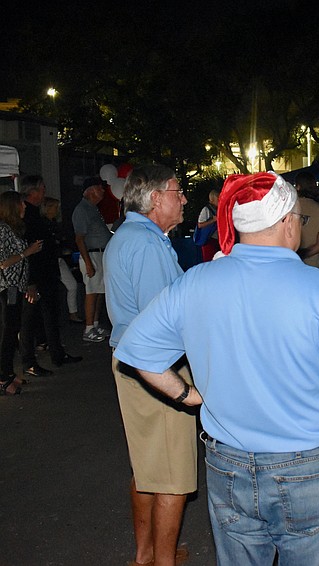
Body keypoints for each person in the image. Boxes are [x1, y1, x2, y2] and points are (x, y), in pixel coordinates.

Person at [113, 171, 319, 564]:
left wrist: (187, 395)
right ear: (285, 222)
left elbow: (137, 350)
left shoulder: (197, 282)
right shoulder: (318, 288)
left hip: (229, 467)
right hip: (305, 467)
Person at [103, 165, 196, 566]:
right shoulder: (146, 244)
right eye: (178, 191)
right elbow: (165, 320)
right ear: (156, 198)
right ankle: (161, 561)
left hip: (131, 361)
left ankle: (146, 554)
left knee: (148, 467)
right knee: (173, 477)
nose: (184, 199)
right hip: (155, 368)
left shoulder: (132, 236)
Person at [19, 176, 82, 375]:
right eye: (42, 188)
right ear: (34, 191)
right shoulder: (27, 216)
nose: (45, 191)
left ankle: (57, 352)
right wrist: (31, 281)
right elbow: (30, 250)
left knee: (51, 315)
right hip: (38, 276)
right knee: (31, 319)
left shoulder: (35, 214)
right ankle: (30, 361)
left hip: (45, 273)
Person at [0, 191, 43, 396]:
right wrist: (27, 252)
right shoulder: (3, 230)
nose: (25, 207)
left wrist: (27, 285)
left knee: (12, 330)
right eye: (21, 204)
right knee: (7, 334)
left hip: (15, 288)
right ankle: (2, 378)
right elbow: (3, 263)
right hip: (5, 289)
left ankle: (8, 371)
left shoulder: (14, 229)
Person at [72, 176, 113, 342]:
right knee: (91, 292)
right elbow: (79, 238)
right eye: (99, 187)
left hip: (100, 254)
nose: (103, 190)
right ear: (89, 191)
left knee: (99, 292)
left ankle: (95, 324)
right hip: (92, 254)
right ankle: (88, 328)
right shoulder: (82, 209)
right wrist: (88, 262)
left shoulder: (93, 208)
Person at [41, 197, 83, 324]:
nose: (57, 210)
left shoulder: (54, 224)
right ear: (47, 208)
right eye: (55, 207)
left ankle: (72, 313)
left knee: (72, 285)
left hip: (59, 259)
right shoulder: (44, 225)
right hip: (50, 261)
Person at [295, 173, 319, 268]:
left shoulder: (288, 208)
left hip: (289, 264)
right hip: (313, 265)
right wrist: (303, 255)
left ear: (298, 187)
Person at [196, 187, 220, 262]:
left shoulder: (217, 209)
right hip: (208, 239)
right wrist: (213, 220)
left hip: (216, 239)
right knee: (209, 261)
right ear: (212, 199)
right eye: (218, 199)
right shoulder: (206, 210)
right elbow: (200, 225)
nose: (219, 201)